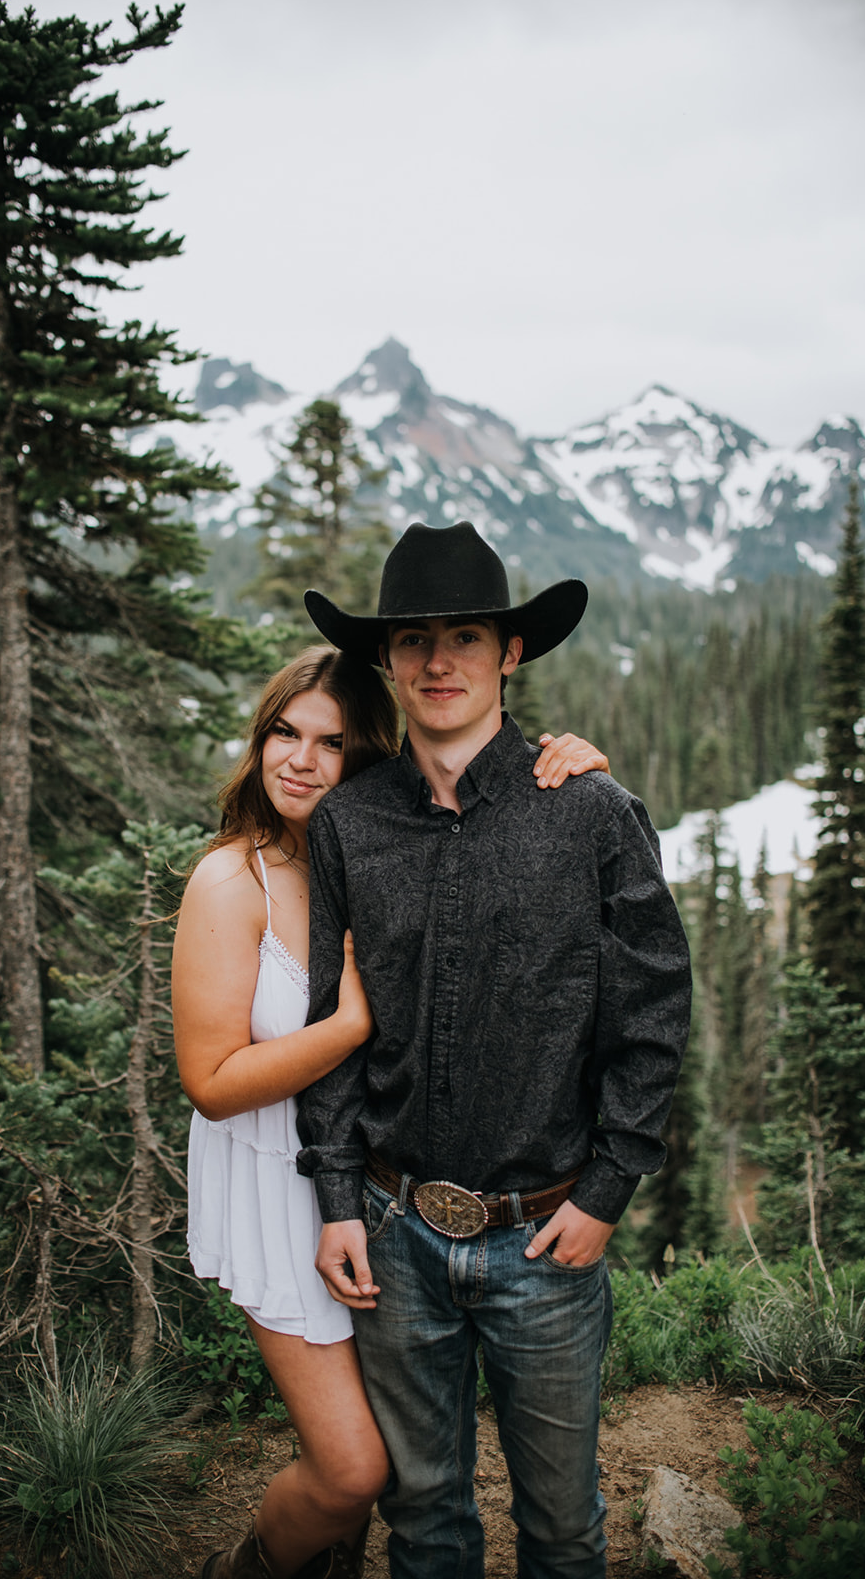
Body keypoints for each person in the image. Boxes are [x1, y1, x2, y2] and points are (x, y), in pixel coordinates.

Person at [296, 521, 692, 1579]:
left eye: (465, 636)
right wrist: (338, 1194)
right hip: (394, 1232)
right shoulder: (347, 826)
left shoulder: (595, 815)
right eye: (414, 638)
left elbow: (652, 1014)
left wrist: (608, 1187)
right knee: (425, 1521)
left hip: (542, 1238)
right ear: (385, 656)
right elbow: (326, 1026)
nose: (438, 662)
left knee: (561, 1528)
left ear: (510, 652)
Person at [172, 642, 611, 1579]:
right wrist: (350, 1025)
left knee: (401, 1465)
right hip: (275, 1184)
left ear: (365, 756)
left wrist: (565, 770)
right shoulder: (228, 881)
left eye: (329, 744)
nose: (299, 759)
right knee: (354, 1466)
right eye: (282, 734)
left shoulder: (371, 846)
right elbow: (209, 1083)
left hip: (369, 1188)